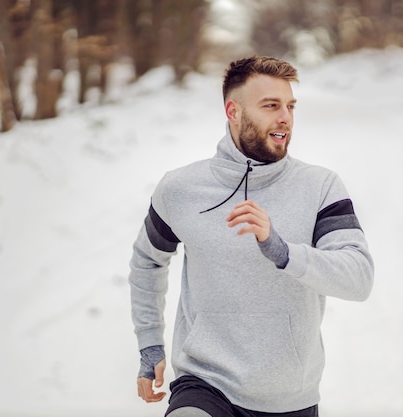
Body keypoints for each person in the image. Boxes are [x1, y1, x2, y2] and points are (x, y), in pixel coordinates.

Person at [129, 56, 374, 417]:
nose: (285, 118)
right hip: (204, 384)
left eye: (290, 106)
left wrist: (282, 251)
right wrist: (150, 343)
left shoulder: (320, 187)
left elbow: (359, 278)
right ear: (234, 111)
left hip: (288, 398)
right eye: (271, 106)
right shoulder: (181, 189)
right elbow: (147, 260)